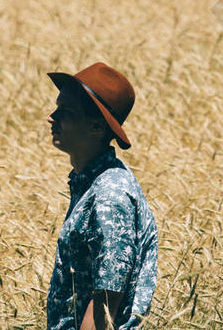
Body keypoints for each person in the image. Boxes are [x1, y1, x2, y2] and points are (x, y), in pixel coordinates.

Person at [45, 62, 158, 330]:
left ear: (96, 127)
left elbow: (106, 303)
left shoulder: (110, 195)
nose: (52, 117)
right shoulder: (92, 182)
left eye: (66, 112)